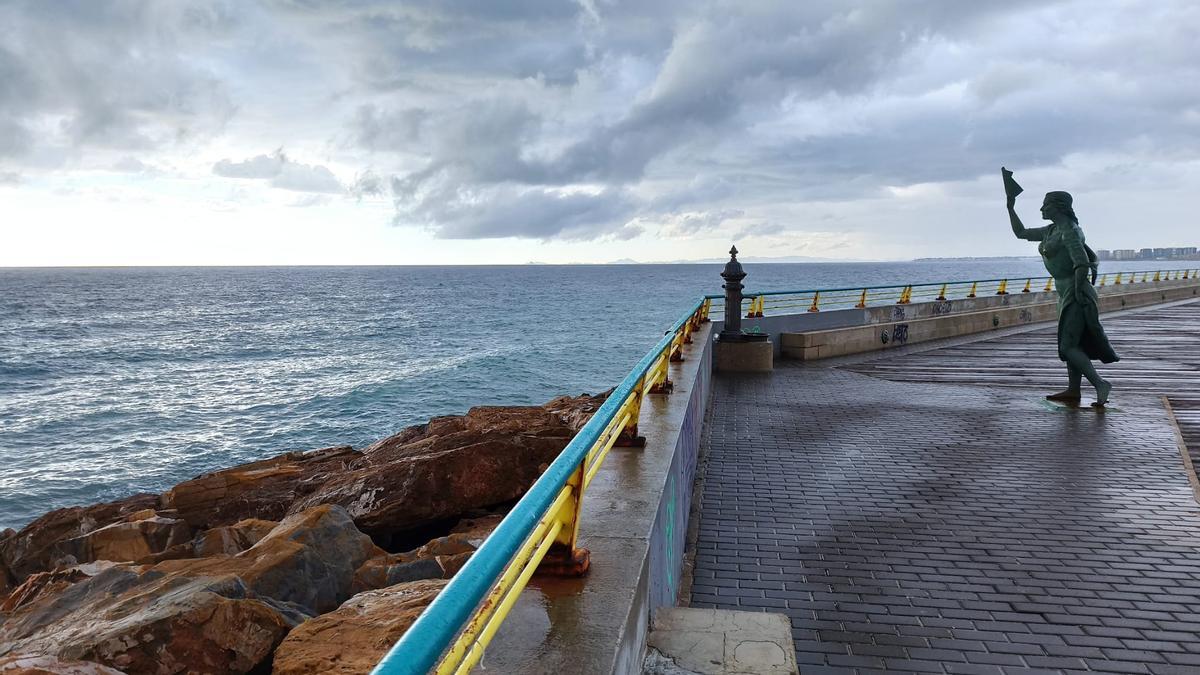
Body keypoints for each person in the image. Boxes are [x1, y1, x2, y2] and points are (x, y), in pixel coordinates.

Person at [1003, 167, 1119, 405]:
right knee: (1072, 343)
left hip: (1076, 292)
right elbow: (1021, 232)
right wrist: (1010, 207)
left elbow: (1081, 263)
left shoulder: (1069, 231)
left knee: (1067, 346)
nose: (1041, 209)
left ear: (1058, 206)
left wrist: (1077, 291)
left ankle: (1100, 383)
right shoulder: (1051, 230)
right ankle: (1073, 389)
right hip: (1064, 291)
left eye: (1045, 205)